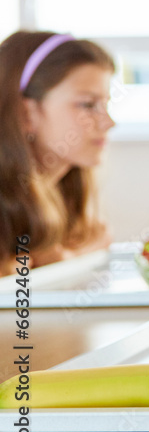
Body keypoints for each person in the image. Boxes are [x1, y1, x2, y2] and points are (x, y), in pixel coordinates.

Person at [0, 30, 116, 274]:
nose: (108, 122)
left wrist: (67, 257)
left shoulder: (74, 210)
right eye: (87, 104)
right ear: (27, 113)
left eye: (105, 105)